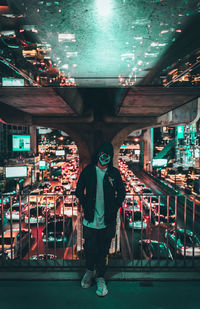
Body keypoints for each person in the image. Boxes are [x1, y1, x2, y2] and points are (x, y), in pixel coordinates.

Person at [75, 142, 126, 297]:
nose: (105, 158)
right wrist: (85, 204)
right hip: (90, 220)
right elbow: (78, 190)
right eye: (103, 155)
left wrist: (115, 207)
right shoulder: (89, 171)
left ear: (110, 158)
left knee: (103, 251)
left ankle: (101, 277)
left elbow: (122, 192)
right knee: (89, 249)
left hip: (107, 221)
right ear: (98, 155)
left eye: (108, 156)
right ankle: (89, 272)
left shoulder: (114, 173)